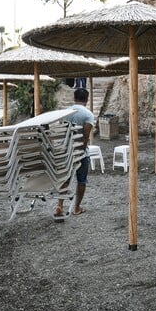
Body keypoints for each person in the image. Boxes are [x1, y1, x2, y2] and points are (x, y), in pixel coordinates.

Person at [55, 88, 95, 217]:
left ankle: (60, 205)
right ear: (87, 99)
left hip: (66, 151)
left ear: (74, 98)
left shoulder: (65, 113)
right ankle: (76, 208)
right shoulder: (88, 115)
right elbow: (85, 136)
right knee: (81, 180)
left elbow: (62, 132)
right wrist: (81, 152)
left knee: (65, 178)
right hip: (80, 153)